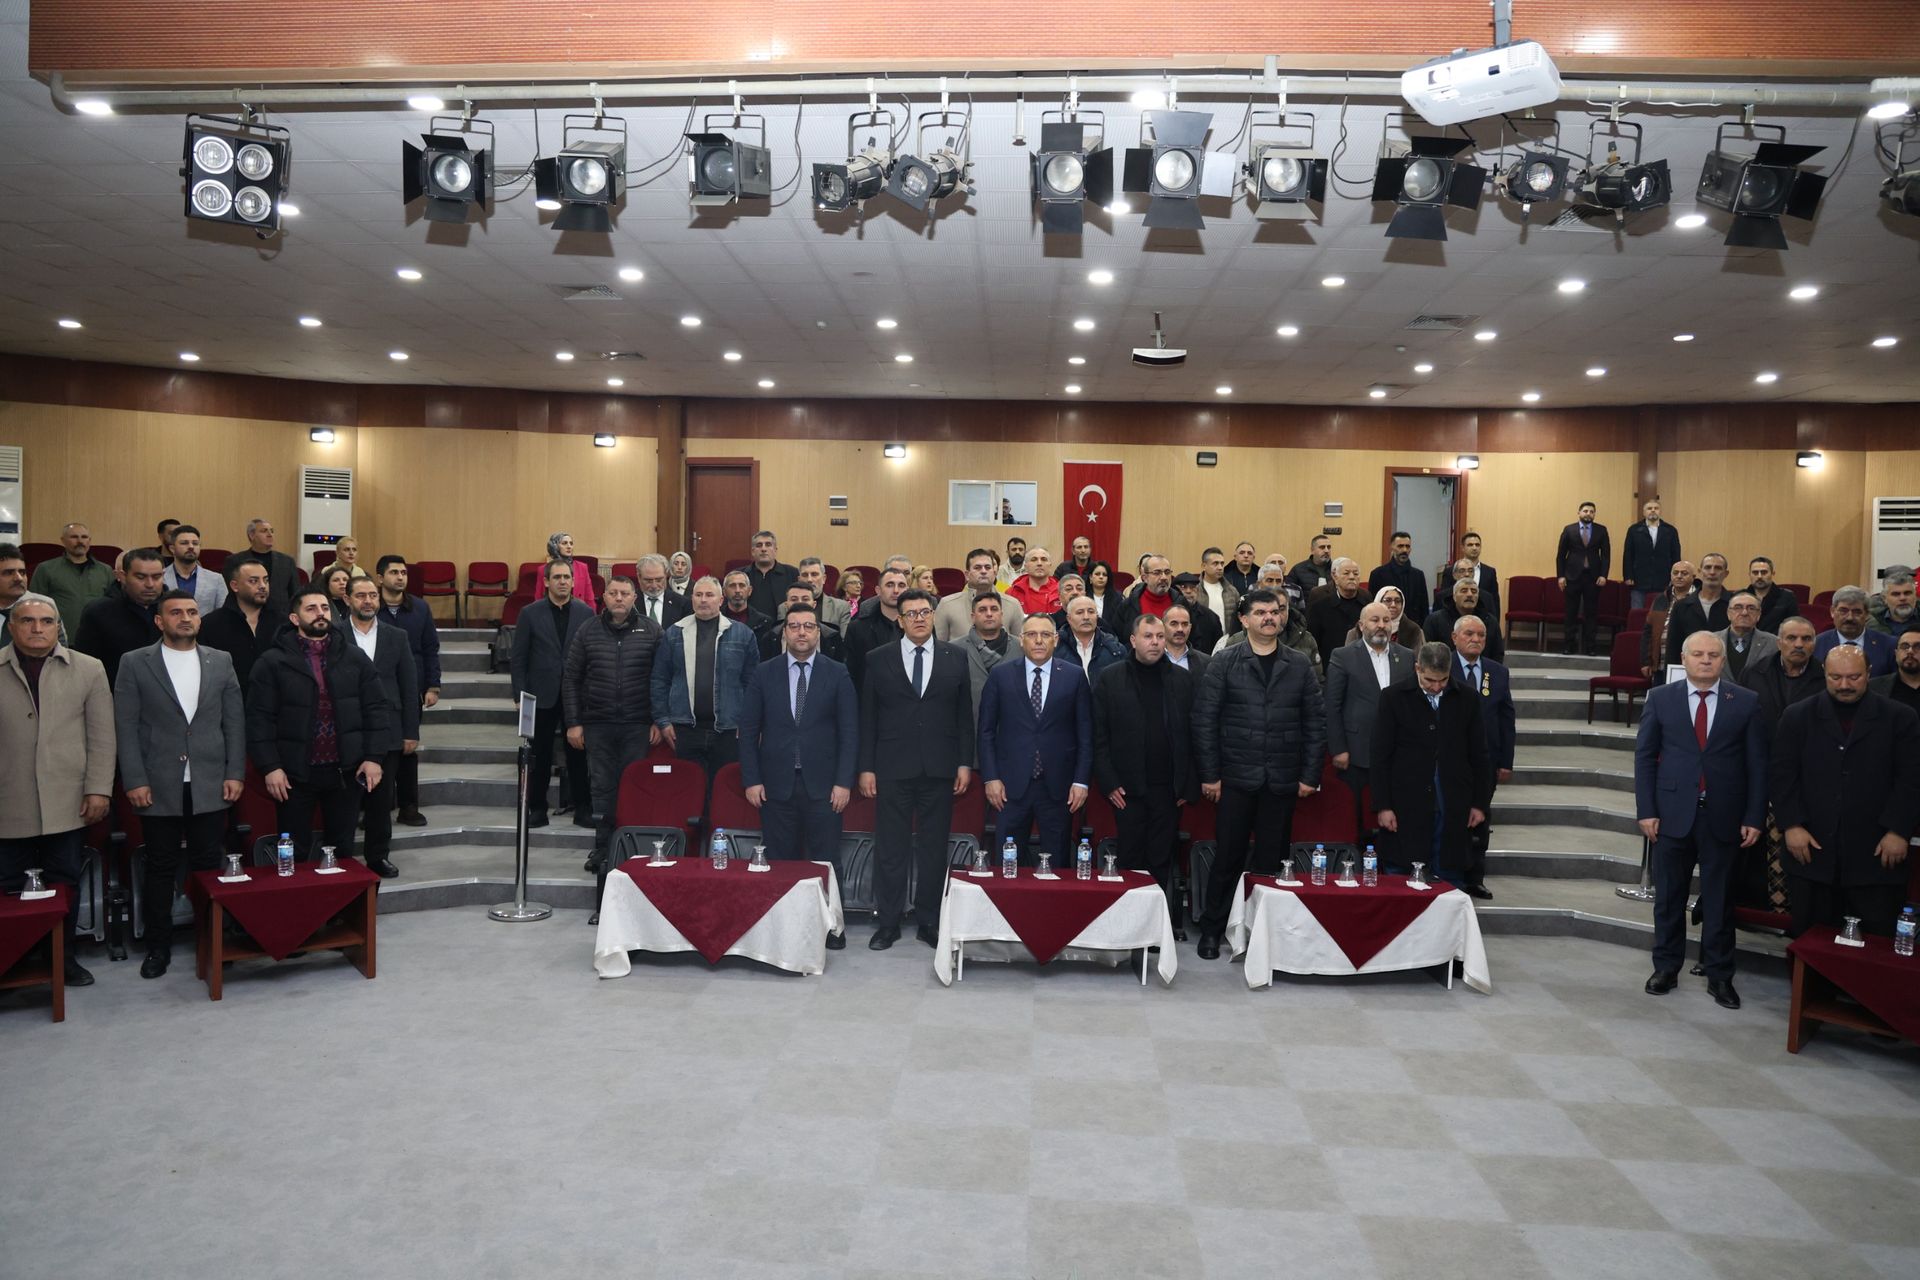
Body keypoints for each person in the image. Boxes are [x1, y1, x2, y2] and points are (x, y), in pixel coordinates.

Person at [1633, 631, 1767, 1010]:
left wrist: (1754, 815)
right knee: (1668, 898)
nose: (1705, 660)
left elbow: (1758, 765)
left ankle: (1720, 975)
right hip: (1671, 816)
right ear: (1684, 658)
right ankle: (1666, 968)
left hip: (1724, 816)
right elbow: (1645, 757)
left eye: (1712, 655)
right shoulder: (1661, 698)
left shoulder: (1745, 701)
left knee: (1720, 901)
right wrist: (1646, 810)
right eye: (1698, 654)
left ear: (1722, 661)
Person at [115, 590, 247, 975]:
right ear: (160, 621)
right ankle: (158, 947)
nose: (185, 618)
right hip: (157, 783)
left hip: (210, 780)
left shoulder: (220, 660)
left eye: (192, 612)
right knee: (160, 866)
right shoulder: (135, 662)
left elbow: (234, 722)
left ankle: (211, 939)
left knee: (208, 863)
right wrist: (134, 779)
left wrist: (234, 772)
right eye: (175, 612)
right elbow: (125, 726)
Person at [1190, 589, 1326, 960]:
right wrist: (1210, 775)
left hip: (1281, 779)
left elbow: (1316, 723)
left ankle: (1265, 936)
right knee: (1227, 858)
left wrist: (1310, 774)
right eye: (1261, 612)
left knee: (1272, 861)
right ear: (1244, 619)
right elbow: (1205, 721)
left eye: (1275, 612)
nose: (1270, 617)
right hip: (1235, 778)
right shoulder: (1225, 661)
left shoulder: (1298, 663)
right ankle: (1213, 930)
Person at [1, 593, 112, 988]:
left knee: (64, 881)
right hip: (8, 800)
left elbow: (102, 737)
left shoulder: (88, 668)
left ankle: (63, 959)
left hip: (68, 799)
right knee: (8, 884)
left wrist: (99, 789)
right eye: (27, 621)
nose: (37, 628)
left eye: (46, 621)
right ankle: (12, 959)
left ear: (58, 626)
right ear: (11, 627)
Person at [1771, 644, 1920, 937]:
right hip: (1812, 852)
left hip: (1877, 854)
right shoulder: (1797, 715)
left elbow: (1912, 779)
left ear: (1869, 673)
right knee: (1810, 942)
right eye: (1835, 677)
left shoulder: (1900, 717)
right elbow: (1781, 776)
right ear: (1824, 674)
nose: (1844, 685)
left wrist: (1898, 830)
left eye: (1854, 677)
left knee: (1874, 945)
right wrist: (1792, 825)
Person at [857, 588, 974, 950]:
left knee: (933, 849)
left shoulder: (956, 656)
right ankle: (888, 922)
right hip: (892, 767)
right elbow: (868, 717)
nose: (919, 619)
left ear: (934, 615)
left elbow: (964, 717)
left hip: (940, 768)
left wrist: (964, 762)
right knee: (891, 848)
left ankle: (929, 921)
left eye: (925, 612)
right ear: (900, 620)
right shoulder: (878, 659)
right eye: (911, 614)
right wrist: (866, 767)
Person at [737, 600, 855, 948]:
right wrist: (752, 779)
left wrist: (843, 781)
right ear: (784, 633)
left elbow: (850, 733)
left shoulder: (837, 672)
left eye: (808, 626)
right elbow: (748, 730)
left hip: (825, 787)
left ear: (818, 633)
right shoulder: (764, 672)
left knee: (826, 860)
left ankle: (832, 928)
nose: (801, 632)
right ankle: (782, 927)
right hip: (776, 786)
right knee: (779, 860)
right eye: (794, 626)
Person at [248, 586, 390, 864]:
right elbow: (258, 719)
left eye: (325, 608)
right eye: (311, 609)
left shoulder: (354, 657)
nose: (320, 614)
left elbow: (376, 708)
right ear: (294, 618)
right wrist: (270, 766)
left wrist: (374, 757)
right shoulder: (272, 662)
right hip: (293, 774)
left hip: (345, 771)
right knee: (294, 852)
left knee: (342, 850)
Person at [1094, 614, 1196, 938]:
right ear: (1133, 640)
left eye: (1160, 636)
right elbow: (1098, 736)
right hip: (1126, 790)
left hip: (1168, 789)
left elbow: (1193, 734)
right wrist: (1109, 782)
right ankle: (1127, 930)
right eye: (1148, 636)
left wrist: (1186, 783)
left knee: (1160, 860)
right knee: (1130, 859)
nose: (1155, 642)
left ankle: (1153, 931)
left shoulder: (1182, 680)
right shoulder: (1110, 678)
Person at [1372, 642, 1493, 888]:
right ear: (1417, 668)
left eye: (1443, 680)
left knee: (1449, 878)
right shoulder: (1393, 697)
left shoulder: (1468, 698)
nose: (1436, 687)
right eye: (1429, 680)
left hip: (1453, 801)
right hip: (1406, 802)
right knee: (1401, 878)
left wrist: (1480, 804)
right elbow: (1380, 756)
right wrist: (1383, 806)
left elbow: (1480, 756)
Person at [563, 574, 662, 872]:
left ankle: (633, 848)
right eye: (613, 593)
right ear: (603, 597)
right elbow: (571, 678)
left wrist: (658, 719)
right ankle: (603, 848)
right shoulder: (587, 629)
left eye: (625, 593)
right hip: (598, 724)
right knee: (602, 789)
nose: (619, 598)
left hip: (638, 724)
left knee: (636, 787)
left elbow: (662, 679)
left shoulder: (652, 630)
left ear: (635, 598)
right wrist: (574, 722)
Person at [978, 612, 1092, 868]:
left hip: (1059, 788)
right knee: (1007, 864)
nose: (1038, 640)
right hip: (1009, 787)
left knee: (1057, 864)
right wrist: (991, 777)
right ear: (1021, 640)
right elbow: (986, 731)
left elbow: (1085, 734)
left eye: (1045, 635)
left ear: (1056, 640)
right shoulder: (1000, 675)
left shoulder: (1074, 676)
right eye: (1031, 634)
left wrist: (1081, 781)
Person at [1737, 614, 1823, 920]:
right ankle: (1755, 911)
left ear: (1815, 643)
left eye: (1806, 639)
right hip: (1758, 772)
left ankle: (1795, 916)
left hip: (1808, 778)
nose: (1799, 644)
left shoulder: (1825, 677)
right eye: (1791, 638)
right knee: (1754, 849)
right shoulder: (1755, 672)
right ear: (1779, 642)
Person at [510, 559, 595, 829]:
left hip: (576, 696)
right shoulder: (529, 613)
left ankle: (583, 808)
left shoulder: (586, 613)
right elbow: (519, 658)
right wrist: (519, 696)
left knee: (578, 756)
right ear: (546, 582)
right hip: (540, 695)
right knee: (539, 755)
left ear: (573, 581)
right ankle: (537, 808)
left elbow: (591, 656)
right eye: (557, 577)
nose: (562, 582)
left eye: (566, 577)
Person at [652, 575, 759, 784]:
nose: (703, 600)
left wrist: (749, 721)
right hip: (685, 728)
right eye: (698, 595)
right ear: (691, 599)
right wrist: (663, 721)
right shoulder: (674, 633)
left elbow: (753, 684)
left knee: (723, 789)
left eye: (709, 595)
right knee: (689, 789)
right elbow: (659, 680)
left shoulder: (743, 635)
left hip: (729, 729)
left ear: (721, 600)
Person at [342, 577, 416, 878]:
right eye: (361, 595)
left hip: (388, 728)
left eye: (373, 595)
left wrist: (411, 731)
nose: (368, 601)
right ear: (347, 599)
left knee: (381, 799)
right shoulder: (334, 634)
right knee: (345, 801)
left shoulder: (396, 636)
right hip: (345, 729)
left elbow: (409, 685)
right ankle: (342, 857)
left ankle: (378, 856)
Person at [1326, 602, 1416, 846]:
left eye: (1386, 620)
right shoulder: (1343, 656)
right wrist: (1338, 748)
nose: (1381, 625)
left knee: (1393, 816)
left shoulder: (1406, 656)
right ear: (1361, 625)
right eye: (1375, 620)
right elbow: (1332, 706)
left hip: (1396, 752)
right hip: (1355, 752)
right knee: (1355, 818)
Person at [1450, 616, 1515, 898]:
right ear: (1454, 638)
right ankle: (1448, 873)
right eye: (1469, 634)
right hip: (1450, 759)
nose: (1475, 639)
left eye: (1481, 635)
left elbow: (1506, 719)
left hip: (1486, 761)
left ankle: (1475, 877)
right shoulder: (1444, 666)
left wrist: (1506, 761)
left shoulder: (1497, 672)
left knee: (1480, 817)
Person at [376, 557, 442, 825]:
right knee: (377, 749)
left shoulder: (420, 608)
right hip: (377, 688)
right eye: (394, 572)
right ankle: (375, 808)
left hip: (411, 688)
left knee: (407, 747)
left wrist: (433, 685)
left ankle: (408, 806)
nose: (400, 577)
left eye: (403, 572)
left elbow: (430, 648)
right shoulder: (370, 606)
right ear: (380, 578)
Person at [75, 547, 168, 689]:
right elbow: (84, 665)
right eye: (141, 577)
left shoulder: (178, 610)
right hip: (115, 693)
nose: (150, 584)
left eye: (156, 577)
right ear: (123, 576)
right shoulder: (98, 612)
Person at [197, 558, 281, 694]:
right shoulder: (210, 625)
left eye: (265, 580)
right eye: (253, 581)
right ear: (235, 586)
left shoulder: (283, 623)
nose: (262, 586)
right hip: (229, 698)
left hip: (275, 698)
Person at [29, 522, 114, 638]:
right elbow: (35, 605)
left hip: (96, 636)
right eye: (74, 537)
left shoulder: (105, 570)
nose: (80, 541)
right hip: (58, 637)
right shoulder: (46, 569)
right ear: (63, 540)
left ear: (89, 540)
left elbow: (112, 606)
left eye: (84, 537)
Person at [1554, 502, 1610, 656]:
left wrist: (1603, 575)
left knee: (1591, 613)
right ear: (1579, 513)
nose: (1588, 514)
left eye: (1592, 511)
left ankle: (1590, 646)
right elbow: (1561, 556)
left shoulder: (1601, 530)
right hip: (1572, 577)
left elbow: (1605, 555)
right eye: (1585, 511)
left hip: (1593, 577)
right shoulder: (1569, 529)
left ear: (1594, 514)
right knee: (1570, 612)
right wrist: (1560, 576)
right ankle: (1568, 645)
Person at [935, 548, 1025, 643]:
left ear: (994, 572)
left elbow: (1022, 644)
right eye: (977, 568)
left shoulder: (1012, 605)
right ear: (967, 575)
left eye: (988, 567)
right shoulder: (947, 605)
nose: (983, 571)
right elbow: (938, 646)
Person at [845, 566, 908, 693]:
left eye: (901, 585)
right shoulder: (857, 629)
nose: (896, 590)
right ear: (878, 590)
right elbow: (851, 674)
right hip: (870, 699)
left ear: (907, 590)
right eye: (890, 585)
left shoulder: (919, 627)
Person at [1813, 586, 1896, 677]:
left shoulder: (1888, 645)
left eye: (1857, 612)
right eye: (1843, 611)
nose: (1850, 618)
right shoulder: (1816, 644)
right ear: (1832, 611)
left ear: (1867, 614)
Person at [1664, 553, 1732, 664]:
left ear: (1726, 573)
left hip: (1725, 668)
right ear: (1700, 571)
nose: (1712, 572)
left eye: (1718, 568)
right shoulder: (1681, 606)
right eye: (1708, 567)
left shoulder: (1734, 605)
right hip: (1690, 668)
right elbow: (1673, 647)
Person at [1305, 558, 1370, 675]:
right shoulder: (1320, 606)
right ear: (1335, 578)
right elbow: (1313, 640)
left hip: (1362, 666)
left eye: (1356, 574)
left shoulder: (1367, 601)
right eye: (1346, 573)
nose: (1352, 577)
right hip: (1330, 665)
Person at [225, 518, 298, 618]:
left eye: (272, 531)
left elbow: (295, 593)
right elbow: (230, 592)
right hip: (244, 617)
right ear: (251, 535)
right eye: (264, 531)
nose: (270, 534)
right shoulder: (234, 561)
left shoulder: (287, 561)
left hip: (280, 617)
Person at [1424, 574, 1505, 663]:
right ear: (1454, 596)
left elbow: (1497, 654)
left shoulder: (1490, 621)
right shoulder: (1435, 620)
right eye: (1464, 591)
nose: (1470, 594)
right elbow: (1428, 653)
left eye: (1474, 591)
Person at [959, 589, 1015, 716]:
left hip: (1012, 721)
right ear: (973, 617)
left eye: (994, 609)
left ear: (1001, 614)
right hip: (970, 720)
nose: (989, 614)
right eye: (982, 610)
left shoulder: (1021, 647)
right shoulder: (956, 648)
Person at [1621, 499, 1682, 611]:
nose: (1653, 510)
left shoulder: (1670, 530)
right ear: (1644, 512)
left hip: (1663, 579)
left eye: (1656, 508)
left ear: (1660, 511)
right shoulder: (1634, 530)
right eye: (1649, 508)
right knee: (1637, 612)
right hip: (1639, 579)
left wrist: (1675, 576)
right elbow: (1628, 555)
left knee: (1660, 613)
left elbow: (1676, 555)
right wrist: (1628, 576)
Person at [1641, 560, 1696, 679]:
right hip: (1660, 664)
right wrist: (1646, 661)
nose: (1679, 576)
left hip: (1689, 665)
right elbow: (1648, 631)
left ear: (1693, 577)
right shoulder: (1660, 599)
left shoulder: (1699, 599)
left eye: (1684, 573)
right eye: (1675, 573)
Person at [1057, 594, 1125, 683]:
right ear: (1069, 618)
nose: (1086, 617)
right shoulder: (1056, 647)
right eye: (1079, 612)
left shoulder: (1115, 649)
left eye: (1091, 612)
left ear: (1097, 616)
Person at [1369, 531, 1431, 626]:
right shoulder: (1378, 574)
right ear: (1391, 548)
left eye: (1407, 546)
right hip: (1385, 626)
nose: (1404, 550)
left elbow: (1424, 607)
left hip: (1412, 627)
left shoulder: (1418, 575)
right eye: (1400, 546)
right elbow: (1372, 606)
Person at [161, 525, 226, 615]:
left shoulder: (216, 579)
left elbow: (223, 613)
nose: (191, 547)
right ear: (172, 549)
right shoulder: (160, 577)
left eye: (195, 543)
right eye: (184, 543)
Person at [1714, 593, 1777, 683]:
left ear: (1759, 615)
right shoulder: (1710, 641)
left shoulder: (1773, 643)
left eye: (1751, 608)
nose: (1744, 613)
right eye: (1738, 608)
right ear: (1728, 613)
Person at [777, 583, 844, 662]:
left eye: (805, 599)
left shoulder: (832, 636)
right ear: (786, 605)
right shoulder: (773, 635)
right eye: (794, 599)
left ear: (814, 604)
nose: (800, 603)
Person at [721, 568, 779, 659]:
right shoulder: (716, 619)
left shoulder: (764, 622)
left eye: (742, 585)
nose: (737, 590)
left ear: (750, 591)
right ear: (724, 591)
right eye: (732, 586)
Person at [1350, 585, 1421, 651]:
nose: (1393, 605)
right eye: (1388, 600)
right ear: (1378, 601)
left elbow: (1416, 658)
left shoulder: (1413, 630)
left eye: (1398, 601)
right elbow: (1349, 656)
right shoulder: (1359, 630)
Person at [745, 530, 799, 617]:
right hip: (749, 624)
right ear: (753, 551)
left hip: (783, 623)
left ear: (775, 550)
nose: (763, 549)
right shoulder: (741, 575)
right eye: (759, 545)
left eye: (768, 545)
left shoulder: (792, 573)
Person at [1868, 623, 1920, 713]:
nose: (1910, 651)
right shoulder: (1873, 688)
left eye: (1918, 647)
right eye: (1905, 646)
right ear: (1896, 654)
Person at [1170, 574, 1224, 656]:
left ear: (1198, 590)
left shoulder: (1211, 617)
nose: (1188, 591)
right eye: (1183, 587)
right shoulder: (1167, 615)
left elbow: (1218, 648)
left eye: (1193, 587)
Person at [1449, 531, 1500, 615]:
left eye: (1477, 545)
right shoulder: (1451, 570)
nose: (1474, 548)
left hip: (1483, 617)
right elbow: (1445, 596)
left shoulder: (1490, 572)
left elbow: (1495, 601)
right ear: (1462, 548)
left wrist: (1495, 620)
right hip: (1454, 616)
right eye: (1470, 545)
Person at [544, 532, 596, 614]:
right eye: (564, 543)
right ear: (555, 546)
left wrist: (592, 617)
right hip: (550, 612)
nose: (569, 546)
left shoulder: (582, 567)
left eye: (571, 543)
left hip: (578, 612)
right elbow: (539, 597)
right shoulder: (544, 569)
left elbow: (589, 598)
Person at [1745, 556, 1799, 634]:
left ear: (1772, 573)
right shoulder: (1740, 597)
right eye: (1755, 573)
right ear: (1749, 574)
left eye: (1764, 572)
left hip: (1776, 640)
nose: (1759, 576)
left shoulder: (1787, 597)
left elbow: (1794, 627)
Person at [634, 554, 690, 629]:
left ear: (666, 575)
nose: (654, 586)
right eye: (648, 581)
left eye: (659, 580)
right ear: (639, 577)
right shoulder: (630, 603)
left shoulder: (682, 604)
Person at [796, 557, 849, 636]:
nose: (809, 580)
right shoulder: (785, 608)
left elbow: (843, 640)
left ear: (824, 579)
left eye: (814, 574)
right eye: (805, 575)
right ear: (799, 580)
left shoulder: (841, 607)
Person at [1004, 544, 1061, 616]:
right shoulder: (1012, 593)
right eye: (1034, 560)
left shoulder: (1062, 591)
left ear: (1050, 565)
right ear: (1026, 566)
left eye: (1044, 559)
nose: (1039, 563)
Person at [1119, 553, 1173, 629]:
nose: (1164, 577)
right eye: (1157, 573)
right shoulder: (1129, 604)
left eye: (1167, 572)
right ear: (1145, 578)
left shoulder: (1180, 602)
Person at [1196, 547, 1241, 636]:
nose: (1220, 567)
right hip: (1201, 639)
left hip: (1226, 639)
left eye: (1222, 564)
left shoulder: (1232, 591)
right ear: (1204, 566)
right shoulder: (1195, 590)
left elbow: (1239, 617)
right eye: (1215, 563)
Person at [1161, 603, 1210, 682]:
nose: (1180, 629)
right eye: (1174, 624)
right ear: (1163, 626)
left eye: (1185, 624)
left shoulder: (1206, 663)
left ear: (1190, 628)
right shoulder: (1152, 659)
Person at [1867, 571, 1918, 636]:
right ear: (1884, 599)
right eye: (1896, 594)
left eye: (1907, 593)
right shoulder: (1870, 624)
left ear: (1915, 596)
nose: (1902, 598)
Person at [1085, 561, 1124, 636]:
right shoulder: (1083, 597)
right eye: (1097, 574)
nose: (1101, 577)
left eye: (1104, 575)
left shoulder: (1117, 598)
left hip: (1110, 637)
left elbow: (1119, 624)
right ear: (1090, 577)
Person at [0, 542, 28, 645]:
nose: (19, 578)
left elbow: (58, 652)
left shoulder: (44, 606)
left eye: (22, 572)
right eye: (8, 573)